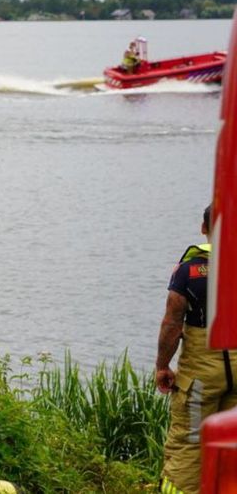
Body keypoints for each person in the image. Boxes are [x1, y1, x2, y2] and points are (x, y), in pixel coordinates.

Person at [156, 205, 236, 494]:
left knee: (188, 445)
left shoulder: (189, 271)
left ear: (204, 229)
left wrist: (162, 366)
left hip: (202, 375)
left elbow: (172, 324)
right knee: (232, 445)